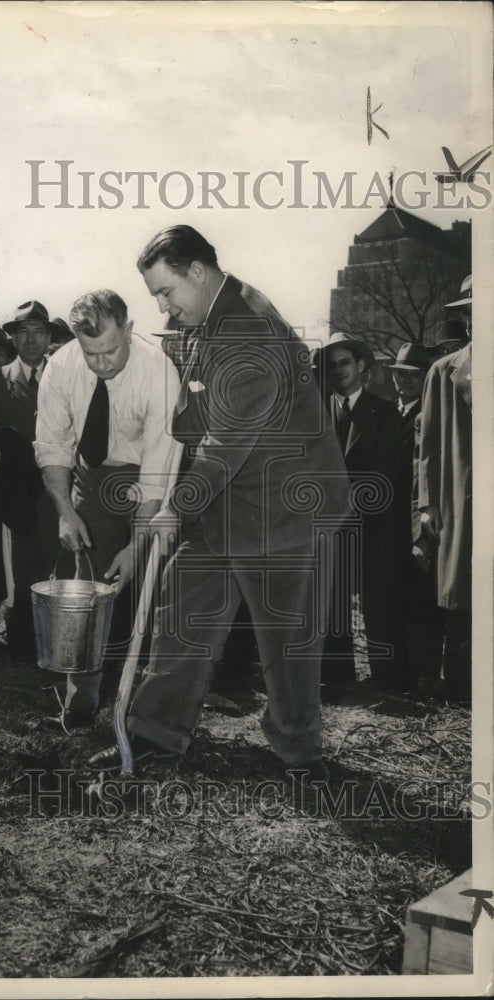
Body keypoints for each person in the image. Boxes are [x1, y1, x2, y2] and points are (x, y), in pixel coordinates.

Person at [88, 227, 351, 786]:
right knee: (181, 613)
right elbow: (196, 424)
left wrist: (177, 505)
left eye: (165, 291)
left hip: (281, 506)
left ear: (199, 273)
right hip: (226, 500)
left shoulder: (249, 330)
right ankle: (155, 732)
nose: (162, 305)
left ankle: (300, 753)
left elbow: (224, 445)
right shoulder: (214, 318)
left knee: (285, 640)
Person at [34, 289, 180, 727]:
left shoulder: (159, 371)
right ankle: (81, 703)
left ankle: (151, 710)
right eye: (90, 352)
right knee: (89, 591)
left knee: (154, 587)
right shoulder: (60, 367)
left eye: (110, 350)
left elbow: (158, 468)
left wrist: (138, 545)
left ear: (129, 330)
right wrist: (66, 510)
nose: (100, 363)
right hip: (93, 478)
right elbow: (54, 446)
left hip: (148, 481)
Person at [312, 331, 406, 692]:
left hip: (373, 524)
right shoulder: (315, 413)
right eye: (331, 366)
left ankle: (390, 680)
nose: (338, 371)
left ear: (361, 365)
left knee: (378, 601)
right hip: (328, 525)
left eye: (345, 363)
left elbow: (391, 472)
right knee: (332, 600)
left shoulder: (383, 412)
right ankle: (336, 679)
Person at [0, 300, 61, 657]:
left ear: (49, 337)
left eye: (39, 332)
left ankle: (53, 642)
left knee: (55, 565)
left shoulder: (64, 376)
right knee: (19, 569)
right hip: (15, 493)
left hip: (56, 489)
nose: (32, 340)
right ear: (13, 338)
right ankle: (19, 644)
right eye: (24, 333)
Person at [417, 277, 472, 701]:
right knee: (460, 592)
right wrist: (427, 503)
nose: (472, 321)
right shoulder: (443, 370)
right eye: (467, 312)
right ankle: (458, 683)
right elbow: (429, 445)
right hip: (461, 499)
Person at [387, 343, 444, 693]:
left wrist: (421, 536)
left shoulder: (431, 414)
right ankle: (403, 675)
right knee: (399, 599)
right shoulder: (390, 412)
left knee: (424, 602)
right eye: (398, 374)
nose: (403, 381)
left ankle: (423, 676)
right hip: (391, 527)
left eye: (412, 376)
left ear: (426, 378)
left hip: (419, 523)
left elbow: (424, 477)